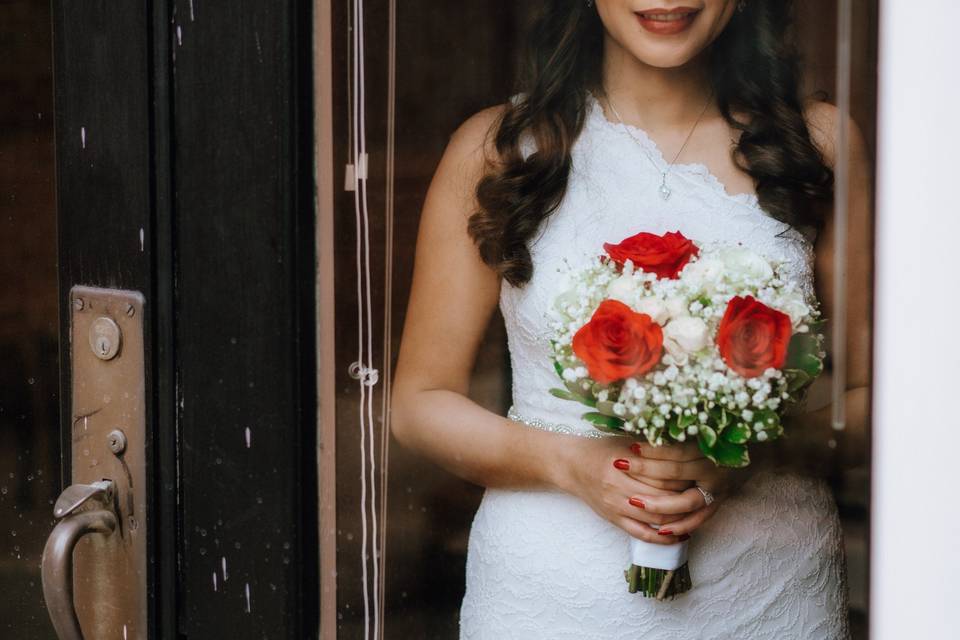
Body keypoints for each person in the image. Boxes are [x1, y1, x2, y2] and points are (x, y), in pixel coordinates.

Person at [391, 1, 871, 638]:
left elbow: (880, 400)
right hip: (550, 591)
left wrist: (751, 452)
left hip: (769, 589)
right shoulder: (500, 150)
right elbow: (420, 404)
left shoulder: (820, 144)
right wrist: (573, 466)